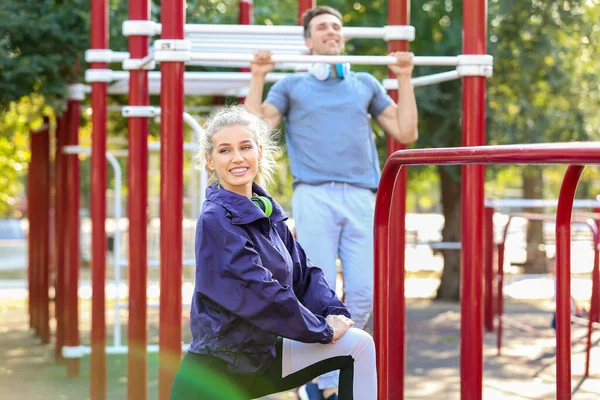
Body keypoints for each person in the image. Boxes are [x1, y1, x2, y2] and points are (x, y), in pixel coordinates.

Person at [244, 5, 418, 398]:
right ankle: (323, 383)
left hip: (361, 196)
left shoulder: (365, 83)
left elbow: (406, 131)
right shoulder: (291, 86)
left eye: (336, 27)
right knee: (318, 290)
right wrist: (258, 76)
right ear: (308, 41)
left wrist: (404, 78)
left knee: (362, 293)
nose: (331, 32)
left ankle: (328, 368)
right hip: (315, 194)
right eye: (322, 27)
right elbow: (253, 130)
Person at [170, 105, 377, 400]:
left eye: (245, 147)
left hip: (263, 359)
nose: (238, 157)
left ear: (260, 152)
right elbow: (258, 291)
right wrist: (321, 329)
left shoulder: (267, 213)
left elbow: (305, 275)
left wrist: (334, 313)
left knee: (358, 345)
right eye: (225, 150)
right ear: (209, 161)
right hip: (219, 372)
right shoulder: (216, 218)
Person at [547, 256, 582, 330]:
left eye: (553, 265)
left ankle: (564, 339)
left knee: (558, 326)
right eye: (550, 265)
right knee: (556, 326)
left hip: (566, 305)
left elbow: (569, 292)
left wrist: (576, 306)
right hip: (560, 305)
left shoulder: (561, 277)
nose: (550, 267)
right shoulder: (555, 277)